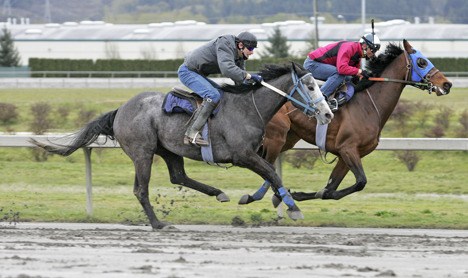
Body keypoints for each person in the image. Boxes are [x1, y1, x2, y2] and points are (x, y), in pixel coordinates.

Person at [178, 31, 263, 147]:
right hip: (187, 72)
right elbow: (227, 69)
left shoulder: (239, 56)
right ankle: (191, 133)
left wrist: (253, 84)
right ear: (241, 45)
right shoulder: (225, 43)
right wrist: (249, 76)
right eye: (251, 48)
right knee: (213, 95)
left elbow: (239, 80)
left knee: (223, 95)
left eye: (253, 49)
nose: (252, 52)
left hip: (198, 74)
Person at [303, 33, 381, 111]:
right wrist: (359, 71)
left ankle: (337, 100)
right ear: (364, 46)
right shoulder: (349, 48)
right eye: (373, 50)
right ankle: (319, 100)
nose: (373, 54)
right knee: (339, 74)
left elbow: (354, 74)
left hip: (322, 65)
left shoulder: (357, 56)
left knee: (349, 79)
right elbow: (342, 69)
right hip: (312, 64)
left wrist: (360, 76)